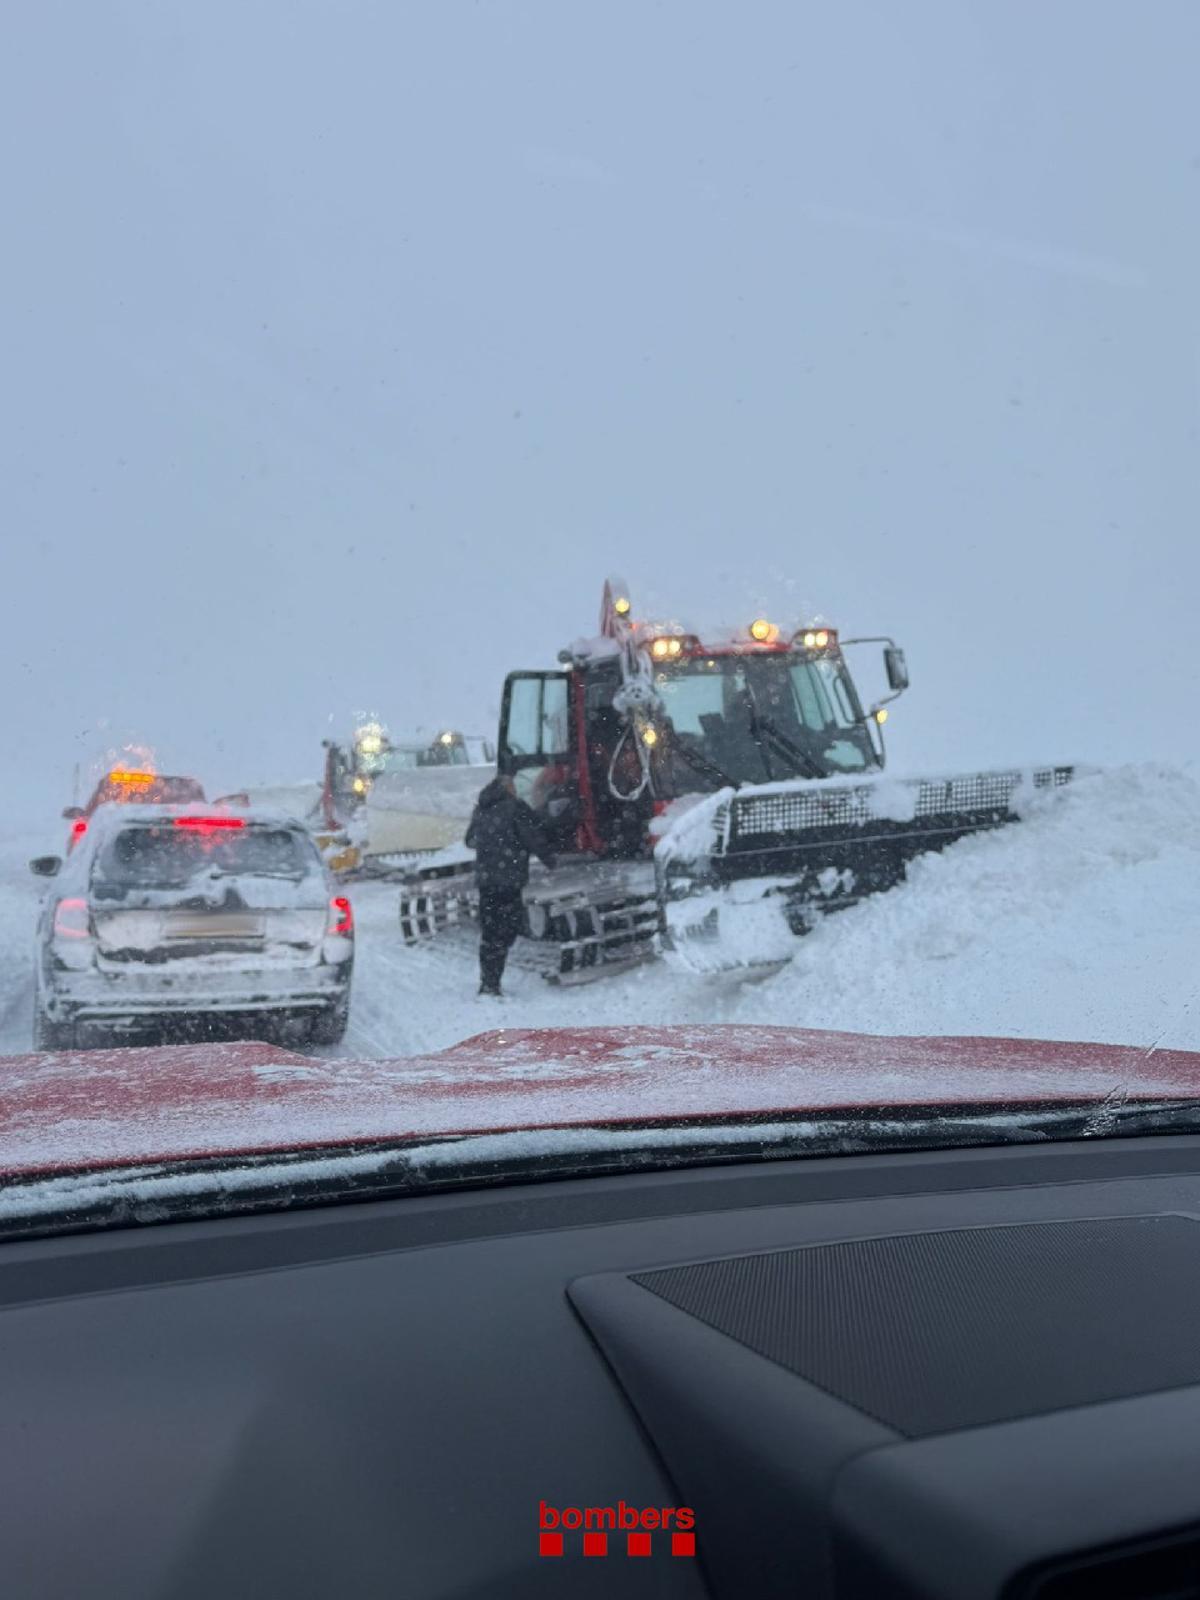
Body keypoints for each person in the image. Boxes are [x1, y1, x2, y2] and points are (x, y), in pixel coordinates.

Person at [464, 774, 556, 996]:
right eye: (513, 786)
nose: (516, 790)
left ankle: (488, 982)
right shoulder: (515, 808)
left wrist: (490, 844)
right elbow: (531, 837)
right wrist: (550, 859)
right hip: (509, 880)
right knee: (508, 928)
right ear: (507, 788)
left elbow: (469, 840)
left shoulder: (482, 808)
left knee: (490, 932)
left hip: (487, 880)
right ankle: (492, 982)